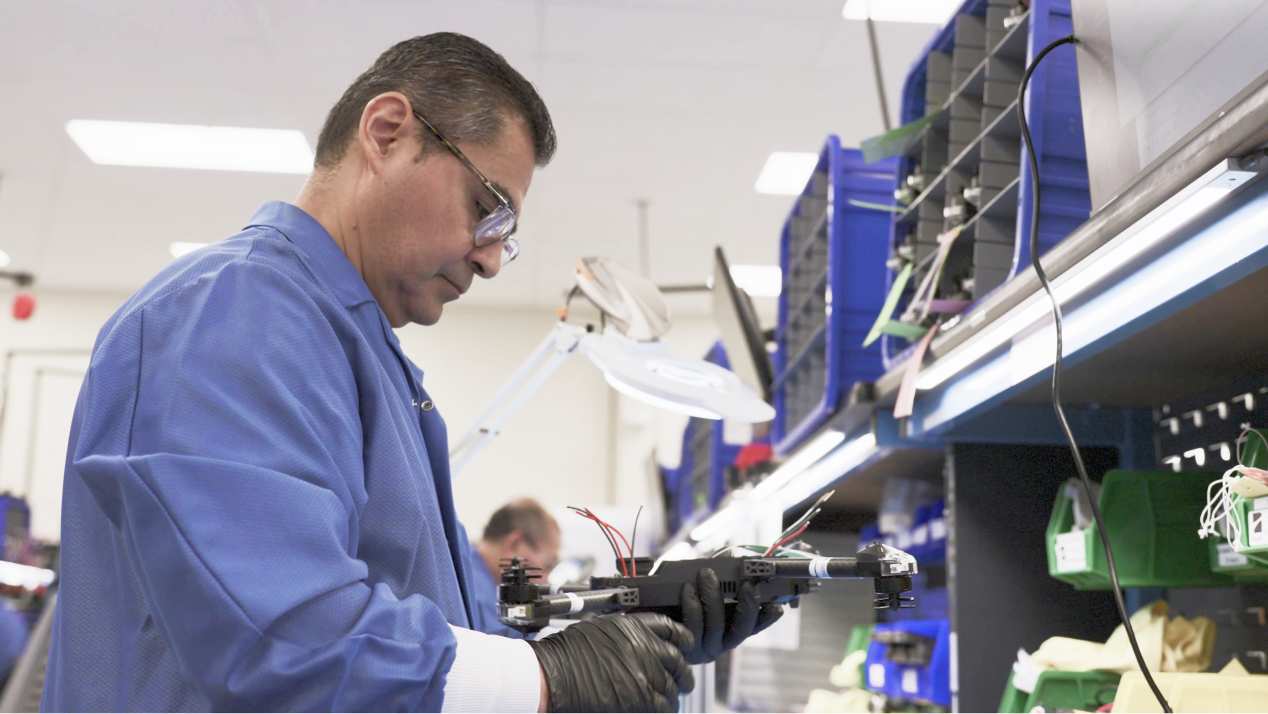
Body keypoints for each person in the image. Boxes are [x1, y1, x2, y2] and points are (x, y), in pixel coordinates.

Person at [43, 32, 778, 713]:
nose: (491, 257)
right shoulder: (232, 313)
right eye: (489, 210)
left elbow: (454, 621)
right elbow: (282, 633)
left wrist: (639, 633)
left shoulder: (372, 363)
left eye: (506, 238)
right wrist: (552, 680)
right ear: (387, 133)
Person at [466, 499, 561, 638]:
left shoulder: (466, 564)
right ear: (514, 544)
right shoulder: (478, 594)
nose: (546, 577)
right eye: (548, 563)